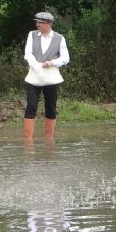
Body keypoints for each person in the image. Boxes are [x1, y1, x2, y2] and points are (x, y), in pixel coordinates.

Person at [22, 12, 70, 140]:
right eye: (37, 22)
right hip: (34, 76)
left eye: (40, 23)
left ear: (48, 24)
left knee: (51, 108)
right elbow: (28, 54)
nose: (37, 24)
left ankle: (49, 139)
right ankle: (28, 140)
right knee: (31, 106)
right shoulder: (32, 35)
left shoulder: (59, 38)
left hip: (51, 77)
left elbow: (65, 58)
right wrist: (36, 66)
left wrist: (52, 62)